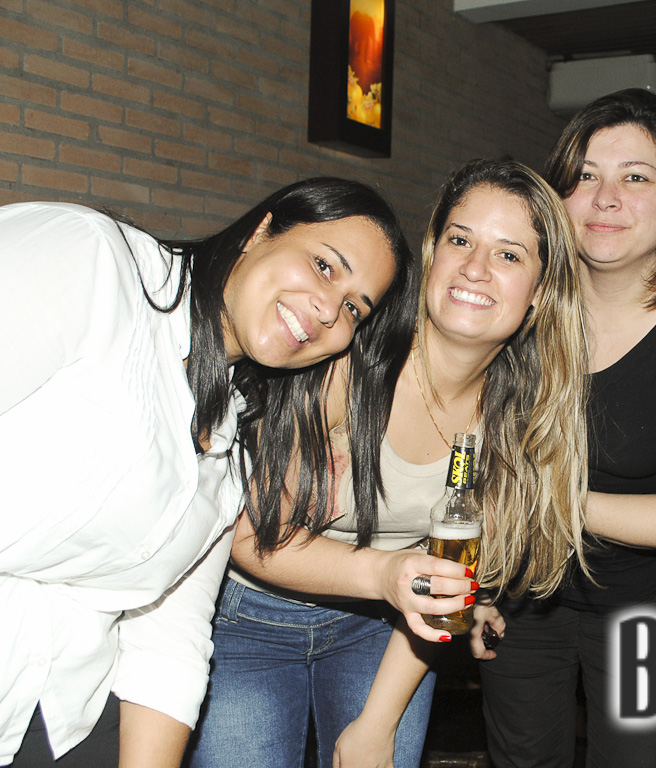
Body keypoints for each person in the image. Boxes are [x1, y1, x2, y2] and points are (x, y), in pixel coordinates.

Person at [185, 158, 591, 768]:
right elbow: (251, 536)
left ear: (540, 294)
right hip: (250, 620)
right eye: (461, 240)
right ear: (433, 252)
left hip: (385, 627)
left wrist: (377, 724)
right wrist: (389, 574)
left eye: (509, 255)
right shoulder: (347, 364)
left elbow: (445, 586)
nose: (475, 268)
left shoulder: (522, 417)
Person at [0, 178, 415, 768]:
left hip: (60, 712)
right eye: (324, 266)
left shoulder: (233, 440)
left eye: (354, 307)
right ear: (261, 231)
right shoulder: (90, 260)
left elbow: (167, 634)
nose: (329, 309)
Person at [476, 89, 656, 768]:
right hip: (521, 593)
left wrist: (539, 499)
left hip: (644, 606)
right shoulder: (520, 306)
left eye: (636, 177)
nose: (605, 199)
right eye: (586, 176)